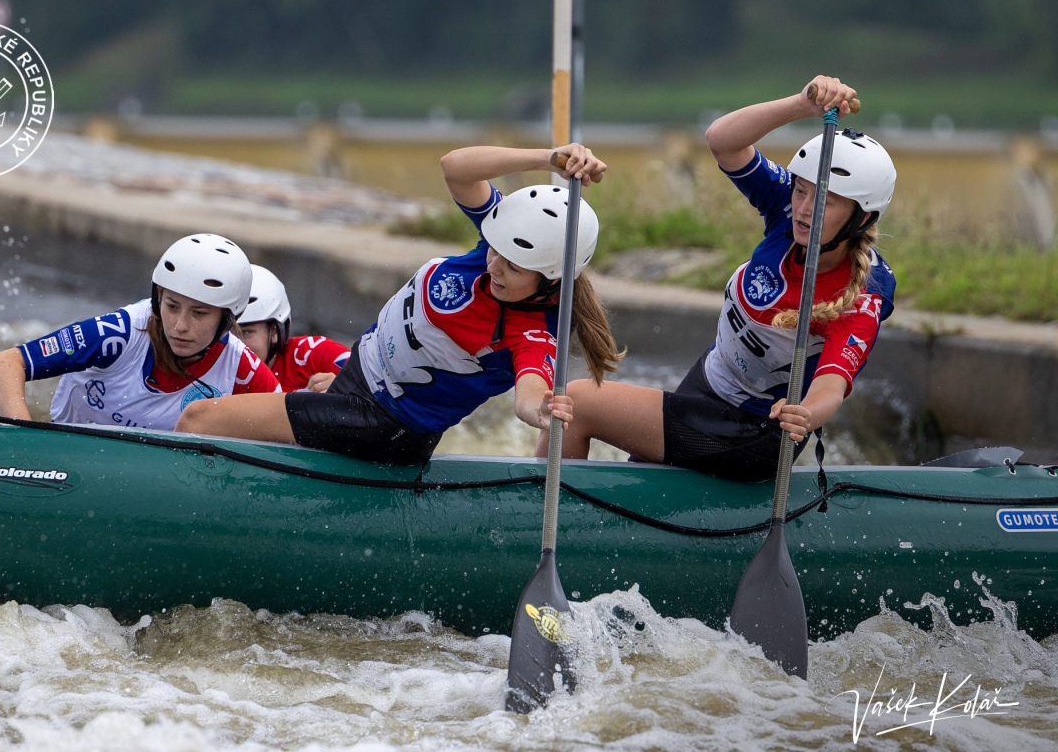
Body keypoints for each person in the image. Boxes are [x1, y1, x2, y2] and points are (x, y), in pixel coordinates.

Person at [538, 76, 897, 481]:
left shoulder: (865, 294)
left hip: (755, 431)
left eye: (825, 201)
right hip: (706, 387)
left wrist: (805, 414)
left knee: (577, 403)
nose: (804, 209)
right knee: (635, 470)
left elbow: (832, 382)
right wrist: (802, 104)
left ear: (863, 217)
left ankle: (531, 521)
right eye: (801, 191)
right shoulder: (784, 210)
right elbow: (723, 141)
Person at [176, 144, 623, 465]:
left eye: (513, 267)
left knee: (199, 419)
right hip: (354, 383)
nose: (494, 268)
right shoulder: (498, 233)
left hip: (383, 427)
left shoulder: (532, 332)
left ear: (551, 279)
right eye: (495, 251)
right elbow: (455, 166)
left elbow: (529, 392)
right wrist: (548, 158)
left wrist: (541, 410)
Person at [0, 233, 281, 430]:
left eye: (199, 313)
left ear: (227, 319)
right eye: (172, 305)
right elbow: (7, 363)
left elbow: (290, 430)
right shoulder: (119, 333)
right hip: (72, 456)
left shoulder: (242, 370)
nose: (180, 325)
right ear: (158, 300)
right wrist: (20, 439)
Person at [236, 264, 351, 393]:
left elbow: (374, 390)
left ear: (274, 332)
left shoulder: (314, 355)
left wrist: (347, 391)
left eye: (245, 332)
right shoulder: (212, 361)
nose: (234, 343)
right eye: (226, 332)